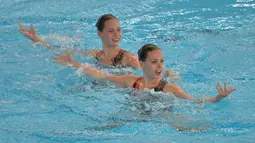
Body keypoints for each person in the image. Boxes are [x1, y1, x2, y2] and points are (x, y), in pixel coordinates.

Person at [53, 43, 236, 103]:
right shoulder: (130, 80)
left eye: (162, 61)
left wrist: (217, 98)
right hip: (133, 113)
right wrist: (74, 63)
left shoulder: (168, 88)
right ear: (142, 64)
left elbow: (193, 100)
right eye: (154, 62)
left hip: (161, 116)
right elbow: (102, 75)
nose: (159, 66)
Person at [18, 14, 140, 68]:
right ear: (100, 33)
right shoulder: (95, 54)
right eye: (111, 31)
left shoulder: (129, 58)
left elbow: (151, 75)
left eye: (119, 30)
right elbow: (60, 51)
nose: (116, 35)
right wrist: (37, 39)